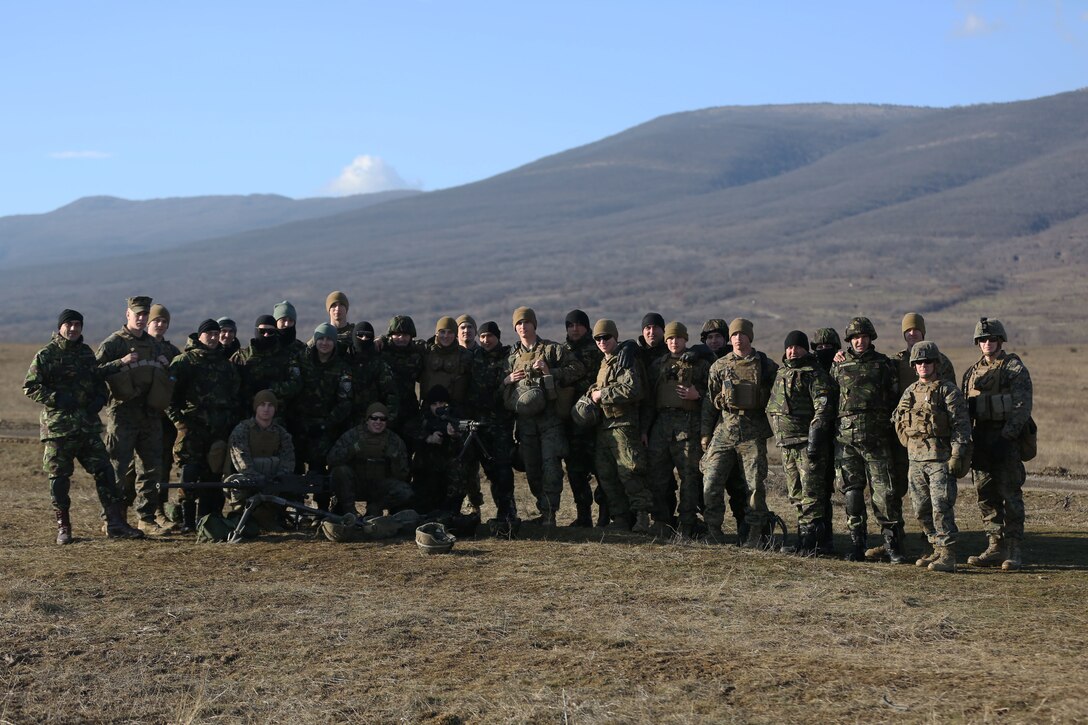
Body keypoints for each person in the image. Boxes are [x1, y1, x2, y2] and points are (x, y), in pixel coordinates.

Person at [24, 309, 144, 543]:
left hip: (87, 428)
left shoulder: (86, 354)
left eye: (77, 324)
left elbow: (97, 379)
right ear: (60, 327)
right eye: (69, 324)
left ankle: (115, 523)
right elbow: (30, 386)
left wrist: (100, 397)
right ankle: (64, 527)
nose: (73, 329)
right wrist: (57, 398)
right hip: (58, 429)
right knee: (59, 477)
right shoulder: (46, 355)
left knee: (106, 472)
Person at [95, 296, 173, 536]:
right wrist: (121, 362)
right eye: (136, 314)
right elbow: (93, 373)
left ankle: (146, 518)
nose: (140, 318)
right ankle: (113, 519)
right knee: (117, 469)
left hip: (149, 415)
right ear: (127, 314)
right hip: (123, 415)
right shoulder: (114, 344)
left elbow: (165, 377)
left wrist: (164, 364)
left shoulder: (155, 345)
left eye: (144, 315)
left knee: (150, 468)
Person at [892, 341, 971, 573]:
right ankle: (935, 547)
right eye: (918, 363)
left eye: (927, 362)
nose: (923, 366)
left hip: (939, 459)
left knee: (941, 507)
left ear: (936, 364)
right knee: (920, 509)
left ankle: (948, 555)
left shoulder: (948, 391)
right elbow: (898, 419)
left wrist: (957, 454)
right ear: (914, 366)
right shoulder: (910, 392)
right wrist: (908, 443)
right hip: (915, 460)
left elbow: (961, 426)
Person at [962, 317, 1033, 571]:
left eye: (992, 339)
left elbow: (1022, 406)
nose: (987, 344)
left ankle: (1013, 548)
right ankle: (995, 545)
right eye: (983, 340)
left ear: (1000, 341)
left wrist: (1008, 436)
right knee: (985, 495)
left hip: (1006, 440)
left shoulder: (1013, 368)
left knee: (1010, 494)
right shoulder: (971, 373)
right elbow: (964, 411)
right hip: (981, 439)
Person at [502, 307, 584, 525]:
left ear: (534, 325)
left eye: (527, 322)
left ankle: (550, 513)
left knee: (551, 467)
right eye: (519, 324)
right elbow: (499, 391)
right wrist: (508, 380)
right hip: (526, 424)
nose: (523, 327)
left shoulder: (551, 350)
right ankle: (542, 508)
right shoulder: (511, 358)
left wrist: (551, 372)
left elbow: (578, 369)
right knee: (532, 467)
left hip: (550, 421)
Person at [701, 318, 778, 547]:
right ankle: (713, 530)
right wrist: (705, 434)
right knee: (711, 481)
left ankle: (755, 533)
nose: (737, 338)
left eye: (741, 334)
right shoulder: (720, 366)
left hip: (753, 432)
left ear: (749, 337)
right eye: (734, 335)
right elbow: (708, 402)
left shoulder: (765, 365)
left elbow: (780, 396)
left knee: (754, 486)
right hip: (725, 430)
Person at [830, 317, 902, 562]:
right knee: (852, 494)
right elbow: (829, 400)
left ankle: (892, 544)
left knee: (884, 493)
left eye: (863, 337)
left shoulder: (883, 365)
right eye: (854, 338)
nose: (859, 341)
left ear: (871, 338)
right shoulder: (838, 366)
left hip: (877, 439)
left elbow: (894, 400)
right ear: (849, 341)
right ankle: (857, 544)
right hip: (846, 440)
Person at [766, 331, 835, 553]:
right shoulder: (782, 372)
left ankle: (812, 543)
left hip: (807, 444)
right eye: (789, 347)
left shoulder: (814, 374)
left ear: (806, 349)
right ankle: (803, 538)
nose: (792, 351)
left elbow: (823, 409)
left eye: (797, 347)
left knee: (811, 494)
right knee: (796, 494)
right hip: (787, 445)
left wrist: (815, 440)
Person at [168, 319, 240, 530]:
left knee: (213, 474)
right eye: (208, 333)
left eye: (215, 334)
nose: (212, 337)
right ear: (199, 336)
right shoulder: (184, 361)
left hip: (218, 430)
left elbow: (235, 396)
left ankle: (208, 519)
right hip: (191, 429)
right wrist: (179, 422)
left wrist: (229, 423)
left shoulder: (225, 365)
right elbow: (168, 397)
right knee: (189, 474)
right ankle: (188, 521)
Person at [645, 322, 709, 537]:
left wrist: (697, 394)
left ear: (685, 339)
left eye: (678, 338)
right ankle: (661, 520)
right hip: (661, 426)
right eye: (670, 338)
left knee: (689, 477)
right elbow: (648, 399)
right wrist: (645, 429)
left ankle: (687, 522)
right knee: (658, 475)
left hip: (688, 426)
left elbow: (714, 392)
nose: (674, 342)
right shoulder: (657, 365)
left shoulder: (699, 365)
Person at [589, 319, 653, 533]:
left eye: (606, 337)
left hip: (624, 426)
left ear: (615, 337)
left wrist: (602, 395)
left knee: (631, 473)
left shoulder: (626, 359)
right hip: (605, 427)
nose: (602, 341)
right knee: (607, 475)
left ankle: (642, 517)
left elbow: (633, 389)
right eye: (598, 338)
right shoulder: (604, 362)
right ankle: (621, 518)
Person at [465, 321, 519, 525]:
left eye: (490, 336)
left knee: (502, 470)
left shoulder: (508, 357)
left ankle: (507, 511)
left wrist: (503, 384)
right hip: (478, 424)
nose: (486, 340)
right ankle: (474, 511)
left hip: (501, 424)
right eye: (482, 336)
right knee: (482, 468)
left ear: (498, 337)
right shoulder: (474, 357)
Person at [294, 324, 353, 508]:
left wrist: (326, 424)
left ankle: (320, 508)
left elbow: (345, 402)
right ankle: (295, 507)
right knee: (294, 467)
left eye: (329, 339)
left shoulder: (342, 368)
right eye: (321, 338)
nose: (325, 343)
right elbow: (293, 388)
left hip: (326, 428)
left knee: (319, 468)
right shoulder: (302, 360)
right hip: (300, 423)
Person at [327, 402, 413, 517]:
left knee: (405, 491)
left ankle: (375, 508)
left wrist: (394, 458)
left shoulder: (394, 441)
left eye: (382, 419)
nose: (378, 422)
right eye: (374, 418)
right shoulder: (352, 435)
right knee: (340, 471)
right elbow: (332, 459)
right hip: (356, 485)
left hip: (379, 486)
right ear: (367, 419)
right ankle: (349, 512)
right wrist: (353, 449)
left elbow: (403, 475)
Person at [226, 389, 296, 529]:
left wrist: (278, 478)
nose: (266, 409)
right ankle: (245, 517)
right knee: (238, 485)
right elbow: (242, 462)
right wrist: (259, 479)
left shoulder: (281, 433)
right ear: (255, 407)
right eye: (262, 404)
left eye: (270, 405)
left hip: (272, 481)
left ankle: (272, 516)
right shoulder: (242, 429)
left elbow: (288, 460)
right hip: (247, 480)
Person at [561, 309, 604, 527]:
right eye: (570, 325)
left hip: (596, 422)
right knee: (576, 472)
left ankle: (606, 516)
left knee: (603, 470)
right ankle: (584, 516)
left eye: (579, 324)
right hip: (571, 423)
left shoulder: (598, 348)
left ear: (586, 327)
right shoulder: (561, 352)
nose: (574, 329)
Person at [232, 315, 303, 419]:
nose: (266, 335)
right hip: (247, 415)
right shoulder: (242, 356)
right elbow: (229, 383)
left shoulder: (286, 357)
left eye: (271, 332)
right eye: (262, 331)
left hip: (277, 417)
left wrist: (270, 387)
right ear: (256, 331)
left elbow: (296, 385)